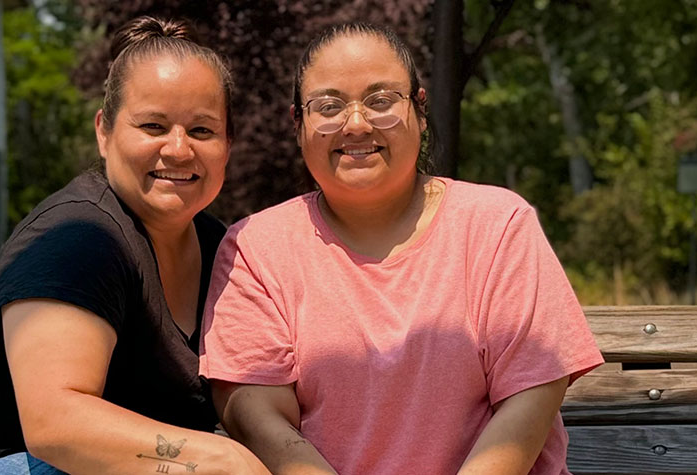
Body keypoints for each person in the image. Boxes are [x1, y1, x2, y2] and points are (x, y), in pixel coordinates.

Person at [199, 23, 604, 475]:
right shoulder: (257, 248)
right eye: (329, 106)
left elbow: (531, 395)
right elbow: (257, 412)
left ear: (420, 110)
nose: (356, 124)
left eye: (381, 100)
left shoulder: (498, 226)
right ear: (299, 125)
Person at [0, 16, 268, 475]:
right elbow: (56, 426)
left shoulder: (221, 247)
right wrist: (220, 458)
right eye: (153, 126)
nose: (179, 149)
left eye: (202, 131)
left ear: (227, 144)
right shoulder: (76, 238)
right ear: (105, 131)